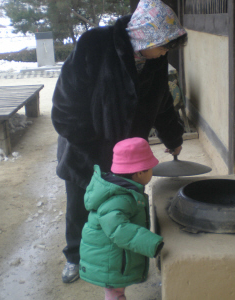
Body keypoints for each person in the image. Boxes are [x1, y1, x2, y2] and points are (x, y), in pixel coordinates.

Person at [51, 0, 187, 283]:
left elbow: (161, 103)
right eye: (164, 44)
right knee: (81, 205)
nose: (166, 51)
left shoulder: (154, 59)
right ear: (146, 35)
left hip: (126, 155)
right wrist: (94, 151)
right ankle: (75, 257)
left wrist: (173, 138)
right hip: (84, 148)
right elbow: (65, 109)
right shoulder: (95, 44)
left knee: (121, 208)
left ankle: (113, 260)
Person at [79, 137, 164, 300]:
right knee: (114, 292)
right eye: (150, 168)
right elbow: (119, 230)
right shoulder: (120, 199)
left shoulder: (122, 189)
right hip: (109, 260)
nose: (153, 172)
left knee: (116, 291)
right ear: (140, 173)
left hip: (113, 254)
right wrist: (152, 243)